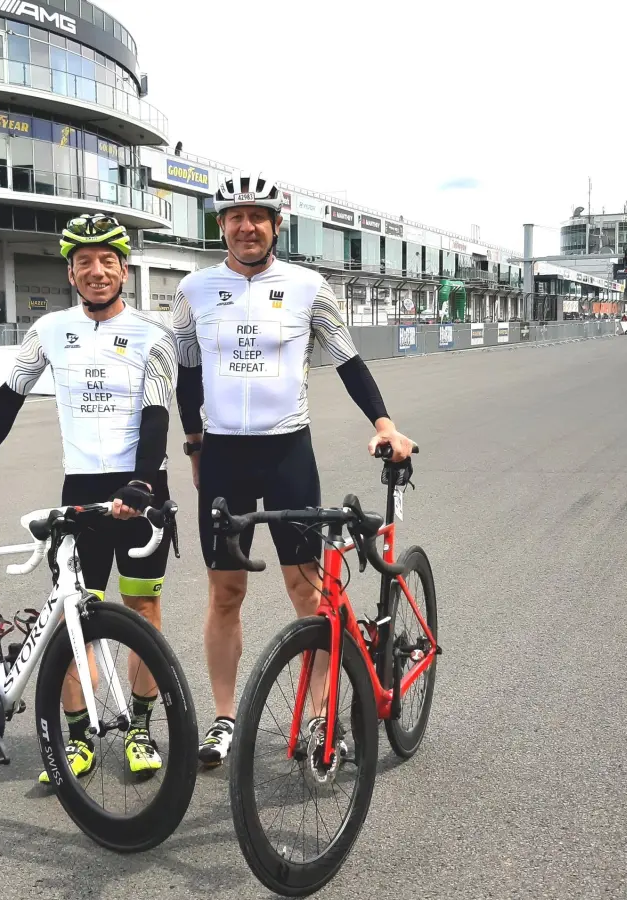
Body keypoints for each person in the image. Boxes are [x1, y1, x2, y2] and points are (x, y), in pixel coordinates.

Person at [171, 172, 416, 767]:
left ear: (277, 225)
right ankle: (226, 719)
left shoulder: (309, 287)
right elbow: (186, 372)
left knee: (308, 594)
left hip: (287, 455)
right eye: (235, 216)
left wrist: (384, 423)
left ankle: (318, 712)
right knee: (224, 592)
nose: (246, 226)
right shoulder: (194, 290)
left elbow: (349, 362)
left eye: (258, 216)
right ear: (221, 225)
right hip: (226, 458)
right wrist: (196, 445)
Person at [0, 213, 177, 782]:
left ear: (124, 268)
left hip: (140, 485)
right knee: (75, 611)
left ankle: (141, 729)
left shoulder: (155, 334)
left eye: (107, 261)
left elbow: (156, 412)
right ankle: (76, 738)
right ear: (71, 271)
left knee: (143, 612)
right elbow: (10, 394)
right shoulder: (49, 329)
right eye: (84, 262)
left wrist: (143, 482)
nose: (96, 272)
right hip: (82, 488)